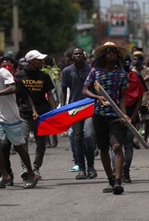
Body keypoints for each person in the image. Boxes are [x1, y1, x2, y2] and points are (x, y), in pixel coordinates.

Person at [0, 52, 39, 189]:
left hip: (11, 117)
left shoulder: (3, 73)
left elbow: (13, 88)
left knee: (19, 147)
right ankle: (5, 175)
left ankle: (31, 174)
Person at [83, 42, 130, 194]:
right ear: (103, 55)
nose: (111, 54)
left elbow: (122, 98)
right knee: (103, 148)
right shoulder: (95, 72)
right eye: (108, 52)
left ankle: (118, 181)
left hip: (115, 115)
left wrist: (124, 114)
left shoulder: (122, 74)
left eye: (114, 52)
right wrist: (97, 97)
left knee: (116, 146)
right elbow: (85, 90)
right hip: (99, 114)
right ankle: (110, 179)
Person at [15, 50, 56, 180]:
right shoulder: (19, 76)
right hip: (24, 114)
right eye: (39, 60)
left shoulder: (44, 76)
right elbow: (15, 95)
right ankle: (25, 168)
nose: (42, 62)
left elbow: (49, 94)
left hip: (43, 114)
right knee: (22, 141)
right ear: (32, 61)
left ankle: (36, 168)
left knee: (41, 143)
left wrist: (55, 112)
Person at [60, 47, 97, 179]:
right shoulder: (67, 71)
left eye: (80, 54)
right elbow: (63, 90)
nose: (78, 56)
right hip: (74, 109)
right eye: (75, 54)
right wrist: (63, 107)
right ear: (72, 57)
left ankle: (91, 166)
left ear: (84, 56)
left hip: (90, 106)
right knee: (77, 138)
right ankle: (82, 168)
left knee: (88, 136)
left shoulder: (92, 70)